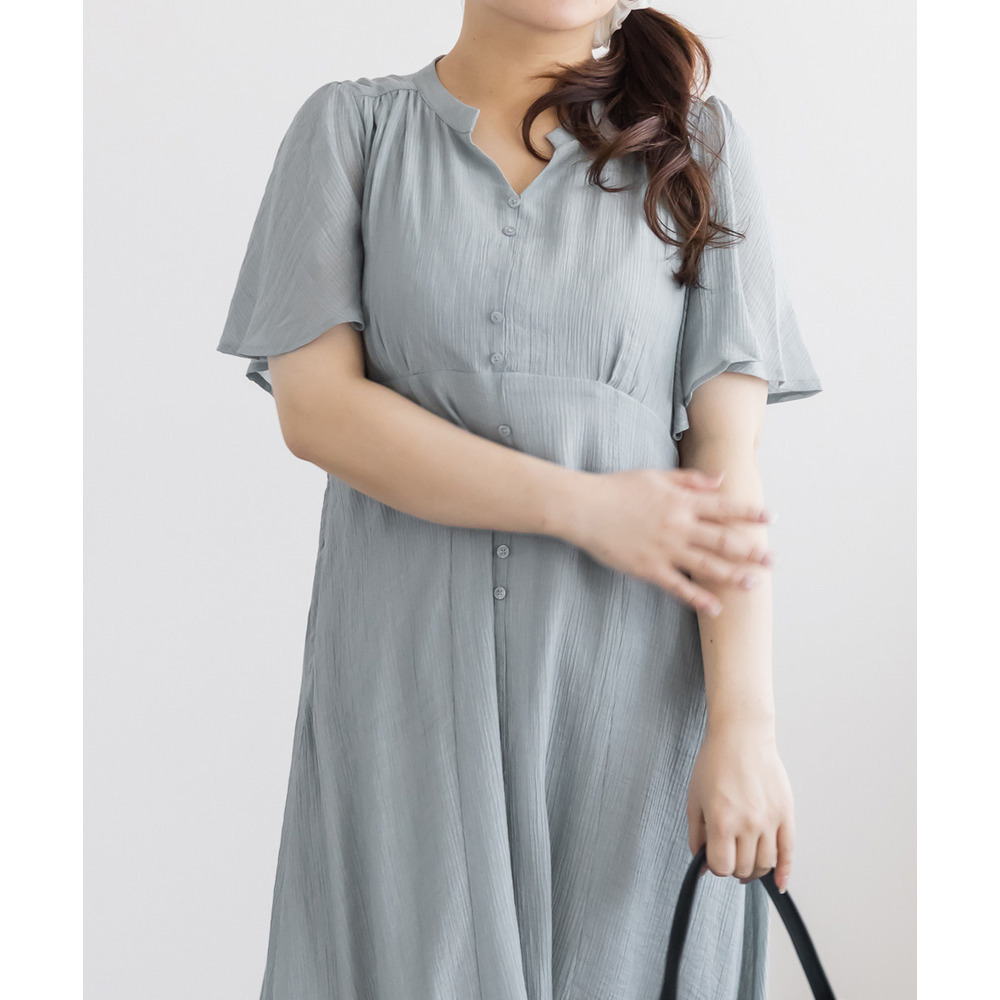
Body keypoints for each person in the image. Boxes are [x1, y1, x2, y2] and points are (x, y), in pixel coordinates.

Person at [216, 2, 824, 998]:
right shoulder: (350, 132)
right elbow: (318, 411)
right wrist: (585, 506)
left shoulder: (696, 146)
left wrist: (745, 725)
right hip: (405, 692)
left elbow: (727, 464)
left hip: (625, 693)